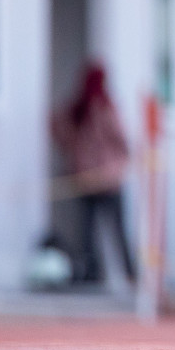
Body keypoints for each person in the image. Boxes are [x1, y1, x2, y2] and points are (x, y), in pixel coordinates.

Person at [51, 62, 136, 286]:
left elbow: (58, 127)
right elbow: (120, 136)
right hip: (106, 178)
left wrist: (75, 154)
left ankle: (93, 273)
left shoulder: (78, 108)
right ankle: (129, 274)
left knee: (88, 231)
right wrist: (126, 156)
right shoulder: (104, 106)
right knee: (117, 229)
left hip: (85, 177)